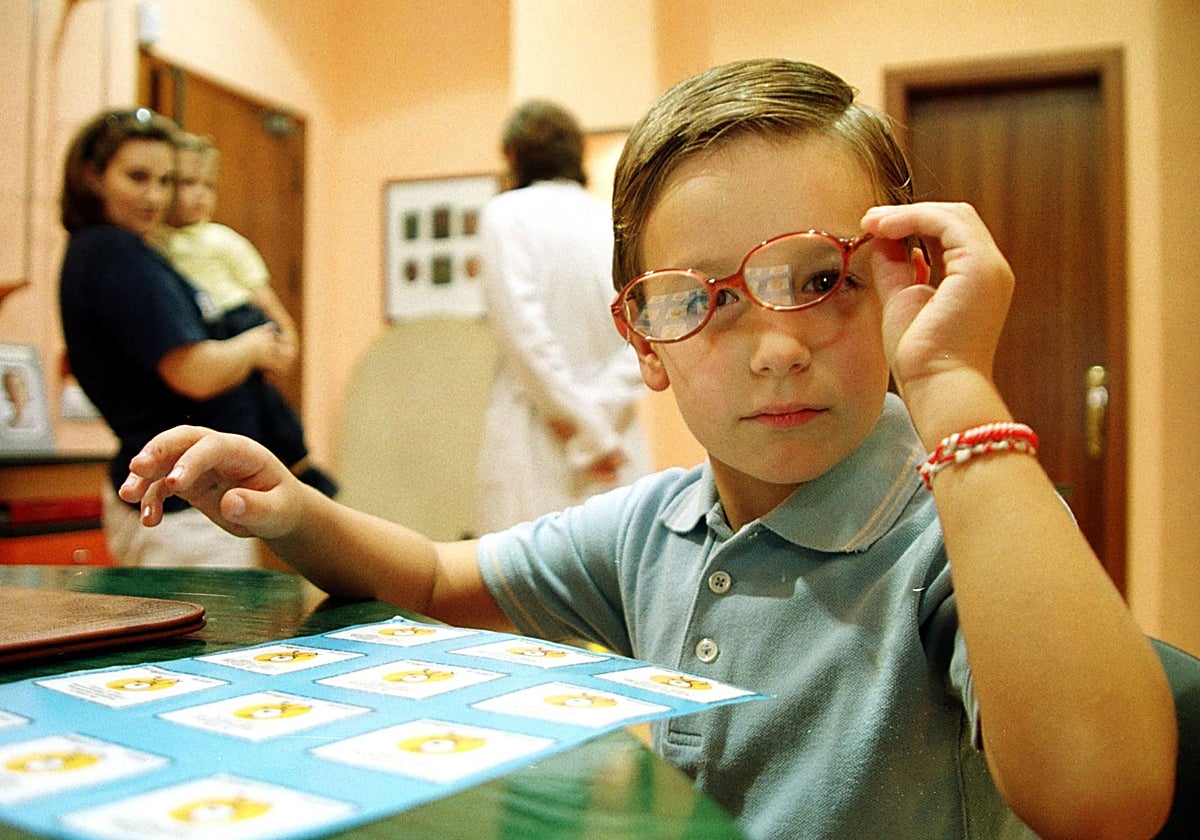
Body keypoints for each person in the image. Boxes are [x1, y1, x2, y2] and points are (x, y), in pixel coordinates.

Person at [119, 60, 1176, 839]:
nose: (774, 347)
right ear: (645, 341)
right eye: (702, 301)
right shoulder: (657, 524)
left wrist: (951, 386)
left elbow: (1109, 799)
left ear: (903, 276)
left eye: (823, 279)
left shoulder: (962, 527)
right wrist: (294, 505)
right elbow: (440, 575)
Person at [58, 107, 296, 568]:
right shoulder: (115, 254)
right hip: (182, 513)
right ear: (92, 175)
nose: (155, 196)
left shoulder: (120, 251)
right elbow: (194, 373)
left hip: (183, 502)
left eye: (166, 181)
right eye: (138, 177)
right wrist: (254, 347)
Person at [475, 99, 651, 533]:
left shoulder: (505, 215)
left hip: (541, 438)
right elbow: (644, 328)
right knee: (617, 588)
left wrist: (585, 431)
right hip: (616, 444)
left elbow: (524, 337)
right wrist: (601, 427)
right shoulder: (612, 219)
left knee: (522, 590)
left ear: (513, 156)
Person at [155, 131, 337, 497]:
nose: (201, 194)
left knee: (266, 405)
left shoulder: (222, 239)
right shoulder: (157, 242)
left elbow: (263, 297)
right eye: (189, 183)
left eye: (209, 185)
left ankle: (300, 465)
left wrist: (285, 334)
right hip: (204, 326)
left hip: (240, 318)